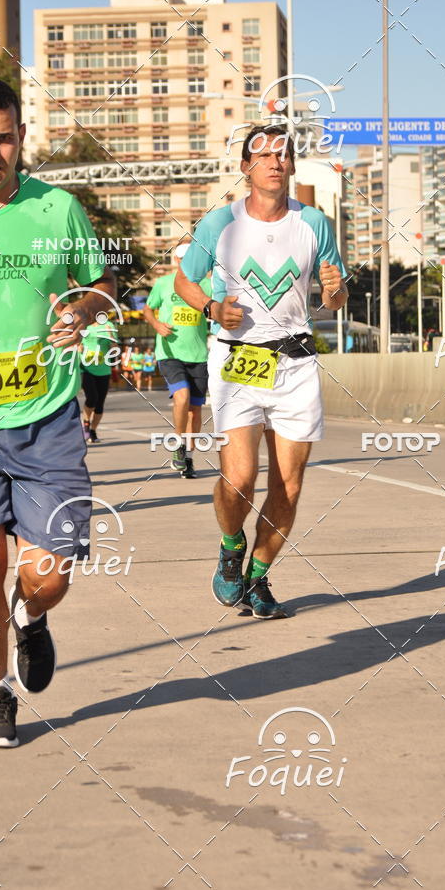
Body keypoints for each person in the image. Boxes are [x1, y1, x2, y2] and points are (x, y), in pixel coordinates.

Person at [174, 124, 348, 619]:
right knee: (241, 478)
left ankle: (257, 576)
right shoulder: (219, 224)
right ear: (246, 166)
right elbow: (184, 279)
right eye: (262, 154)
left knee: (288, 486)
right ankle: (232, 548)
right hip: (237, 358)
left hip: (295, 362)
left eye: (283, 153)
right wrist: (210, 307)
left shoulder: (314, 223)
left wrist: (334, 290)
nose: (274, 161)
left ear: (292, 165)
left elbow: (335, 300)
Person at [0, 78, 115, 747]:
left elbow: (101, 284)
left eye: (4, 138)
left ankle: (31, 617)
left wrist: (82, 308)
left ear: (20, 137)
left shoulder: (58, 209)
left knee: (48, 573)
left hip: (47, 420)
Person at [143, 245, 209, 479]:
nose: (186, 263)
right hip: (170, 352)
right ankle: (179, 445)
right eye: (182, 259)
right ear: (176, 260)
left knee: (195, 411)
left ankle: (189, 458)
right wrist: (157, 324)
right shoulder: (163, 283)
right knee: (182, 397)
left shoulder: (207, 285)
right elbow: (148, 310)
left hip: (199, 355)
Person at [80, 314, 119, 443]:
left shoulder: (109, 325)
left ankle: (93, 430)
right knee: (92, 397)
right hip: (85, 367)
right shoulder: (84, 323)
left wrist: (111, 336)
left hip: (103, 369)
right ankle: (86, 424)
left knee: (99, 403)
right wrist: (79, 347)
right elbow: (77, 342)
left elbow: (115, 350)